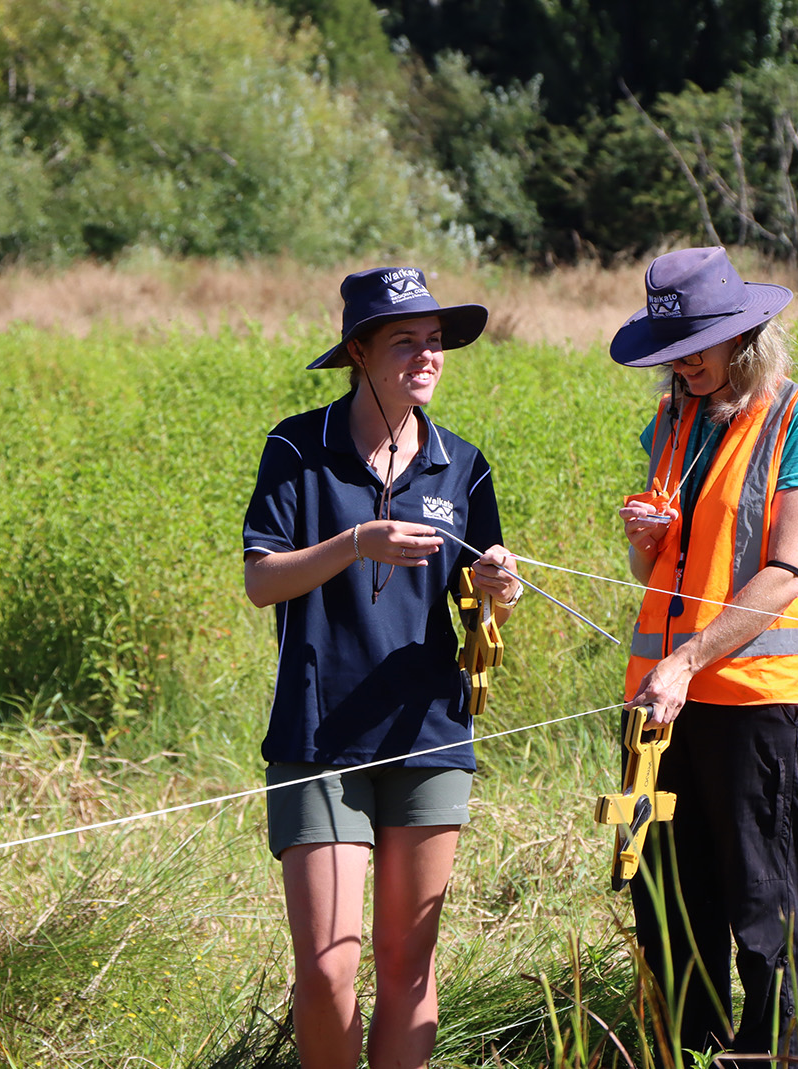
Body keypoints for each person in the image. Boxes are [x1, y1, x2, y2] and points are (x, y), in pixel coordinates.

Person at [241, 267, 523, 1069]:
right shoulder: (298, 447)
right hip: (318, 738)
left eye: (435, 342)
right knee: (328, 967)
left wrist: (497, 590)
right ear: (358, 351)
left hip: (429, 733)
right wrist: (356, 541)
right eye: (406, 341)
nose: (427, 356)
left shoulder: (463, 465)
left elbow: (476, 603)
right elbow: (262, 581)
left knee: (407, 968)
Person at [610, 247, 798, 1063]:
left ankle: (775, 1055)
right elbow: (660, 572)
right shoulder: (670, 422)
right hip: (663, 709)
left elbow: (783, 575)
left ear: (746, 333)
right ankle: (687, 1050)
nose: (685, 364)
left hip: (755, 705)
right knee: (671, 910)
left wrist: (688, 659)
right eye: (674, 350)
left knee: (763, 910)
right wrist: (648, 544)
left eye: (700, 343)